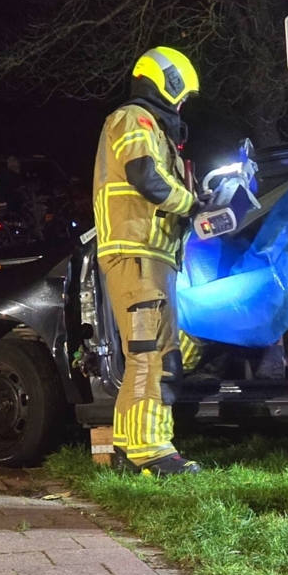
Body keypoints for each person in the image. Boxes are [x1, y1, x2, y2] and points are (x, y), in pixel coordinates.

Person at [93, 46, 236, 476]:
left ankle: (138, 444)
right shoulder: (132, 119)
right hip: (134, 255)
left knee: (164, 356)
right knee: (147, 353)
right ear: (167, 82)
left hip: (153, 258)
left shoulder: (154, 129)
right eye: (181, 95)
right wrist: (193, 206)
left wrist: (201, 204)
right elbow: (146, 178)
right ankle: (146, 451)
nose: (180, 105)